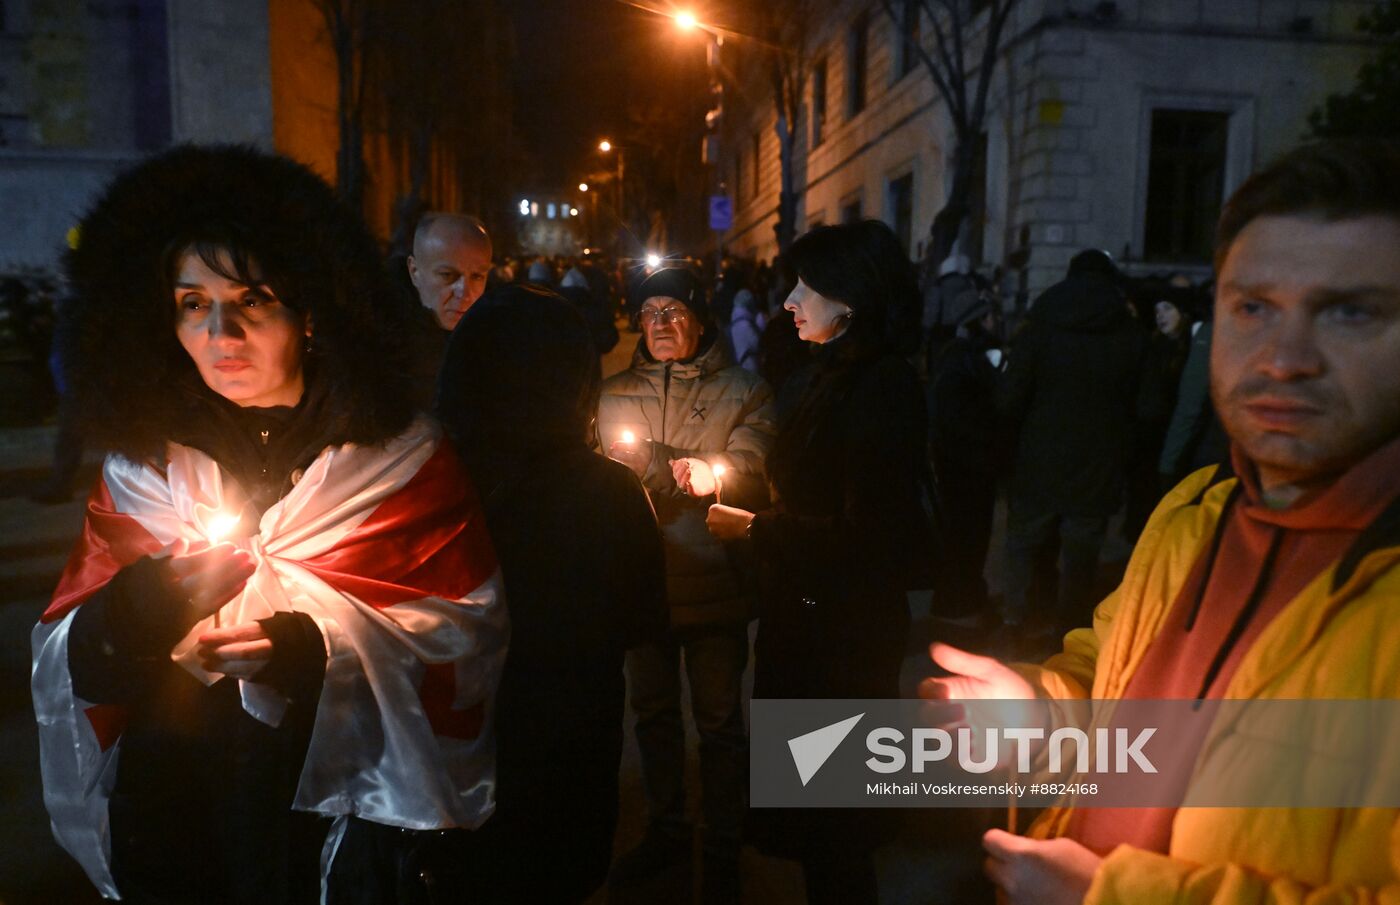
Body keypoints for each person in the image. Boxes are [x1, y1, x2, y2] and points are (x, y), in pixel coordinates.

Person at [30, 146, 507, 905]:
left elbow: (464, 641)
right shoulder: (139, 471)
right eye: (192, 303)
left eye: (252, 299)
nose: (221, 332)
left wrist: (309, 655)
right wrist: (132, 615)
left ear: (311, 311)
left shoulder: (402, 463)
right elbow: (66, 655)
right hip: (173, 823)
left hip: (324, 831)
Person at [928, 138, 1400, 904]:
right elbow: (1111, 670)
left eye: (1349, 312)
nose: (1285, 358)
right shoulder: (1195, 514)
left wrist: (1114, 896)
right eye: (1253, 307)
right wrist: (1042, 713)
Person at [707, 220, 936, 905]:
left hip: (840, 643)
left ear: (851, 299)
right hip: (805, 627)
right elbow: (806, 484)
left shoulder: (880, 389)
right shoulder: (828, 376)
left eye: (807, 285)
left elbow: (872, 539)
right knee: (818, 832)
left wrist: (757, 530)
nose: (788, 299)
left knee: (834, 834)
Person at [435, 284, 667, 903]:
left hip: (454, 754)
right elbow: (643, 619)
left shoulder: (429, 486)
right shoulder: (610, 492)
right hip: (569, 754)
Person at [598, 267, 776, 902]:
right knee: (651, 715)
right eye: (649, 312)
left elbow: (753, 468)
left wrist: (706, 471)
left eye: (674, 311)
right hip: (642, 580)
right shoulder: (613, 393)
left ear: (700, 319)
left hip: (713, 581)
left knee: (721, 722)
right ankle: (668, 830)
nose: (661, 323)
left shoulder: (745, 389)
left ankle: (723, 846)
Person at [998, 249, 1146, 641]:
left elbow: (1010, 397)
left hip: (1039, 455)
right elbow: (1146, 404)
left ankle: (1016, 618)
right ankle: (1069, 630)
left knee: (1024, 543)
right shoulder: (1128, 330)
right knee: (1081, 552)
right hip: (1097, 461)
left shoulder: (1041, 325)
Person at [404, 212, 493, 409]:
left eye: (477, 276)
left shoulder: (499, 346)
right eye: (447, 275)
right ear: (415, 272)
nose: (464, 293)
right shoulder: (376, 356)